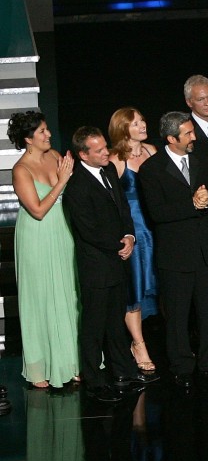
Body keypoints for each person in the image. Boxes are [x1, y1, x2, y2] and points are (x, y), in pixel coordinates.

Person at [63, 127, 157, 403]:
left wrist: (129, 236)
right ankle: (93, 380)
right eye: (100, 149)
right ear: (83, 154)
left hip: (118, 261)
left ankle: (123, 372)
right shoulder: (77, 185)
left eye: (105, 146)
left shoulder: (107, 172)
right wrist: (120, 244)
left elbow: (124, 209)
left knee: (116, 321)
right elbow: (88, 230)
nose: (107, 152)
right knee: (93, 325)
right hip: (96, 265)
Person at [138, 111, 208, 389]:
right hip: (175, 255)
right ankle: (181, 367)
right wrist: (192, 204)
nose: (194, 137)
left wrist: (207, 200)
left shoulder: (204, 158)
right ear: (171, 138)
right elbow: (156, 212)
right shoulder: (152, 170)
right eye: (188, 133)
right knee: (177, 316)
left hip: (205, 251)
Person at [9, 111, 79, 388]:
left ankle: (72, 362)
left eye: (47, 129)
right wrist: (62, 181)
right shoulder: (21, 170)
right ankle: (42, 367)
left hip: (63, 231)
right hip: (36, 237)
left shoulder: (54, 156)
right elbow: (37, 211)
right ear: (28, 139)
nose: (48, 135)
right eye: (42, 132)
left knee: (68, 293)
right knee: (41, 298)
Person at [108, 107, 160, 374]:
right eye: (136, 122)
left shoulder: (152, 151)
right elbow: (112, 203)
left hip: (156, 226)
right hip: (134, 231)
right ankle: (138, 344)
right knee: (135, 288)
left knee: (158, 284)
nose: (142, 125)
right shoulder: (115, 159)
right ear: (123, 129)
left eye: (142, 120)